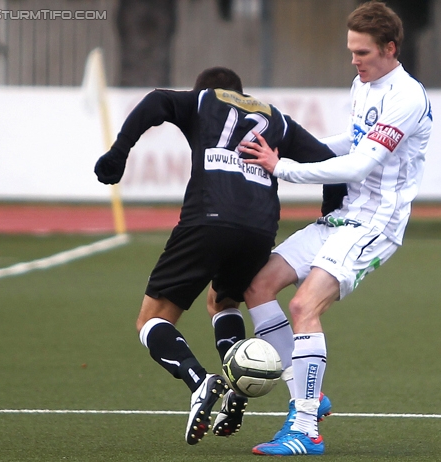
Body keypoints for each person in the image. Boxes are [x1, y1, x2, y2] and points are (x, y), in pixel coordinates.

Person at [93, 67, 345, 446]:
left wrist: (119, 151)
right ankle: (236, 388)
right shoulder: (277, 119)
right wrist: (329, 216)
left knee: (151, 319)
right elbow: (328, 163)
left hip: (208, 219)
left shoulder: (202, 100)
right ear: (242, 94)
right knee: (222, 301)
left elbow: (157, 99)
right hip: (260, 230)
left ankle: (199, 382)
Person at [237, 1, 433, 456]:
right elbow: (351, 143)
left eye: (362, 53)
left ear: (390, 48)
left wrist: (282, 167)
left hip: (376, 223)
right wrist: (299, 146)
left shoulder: (406, 97)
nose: (354, 61)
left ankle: (305, 429)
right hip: (344, 216)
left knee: (305, 305)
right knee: (259, 285)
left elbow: (364, 162)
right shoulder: (361, 85)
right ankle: (308, 394)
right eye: (350, 52)